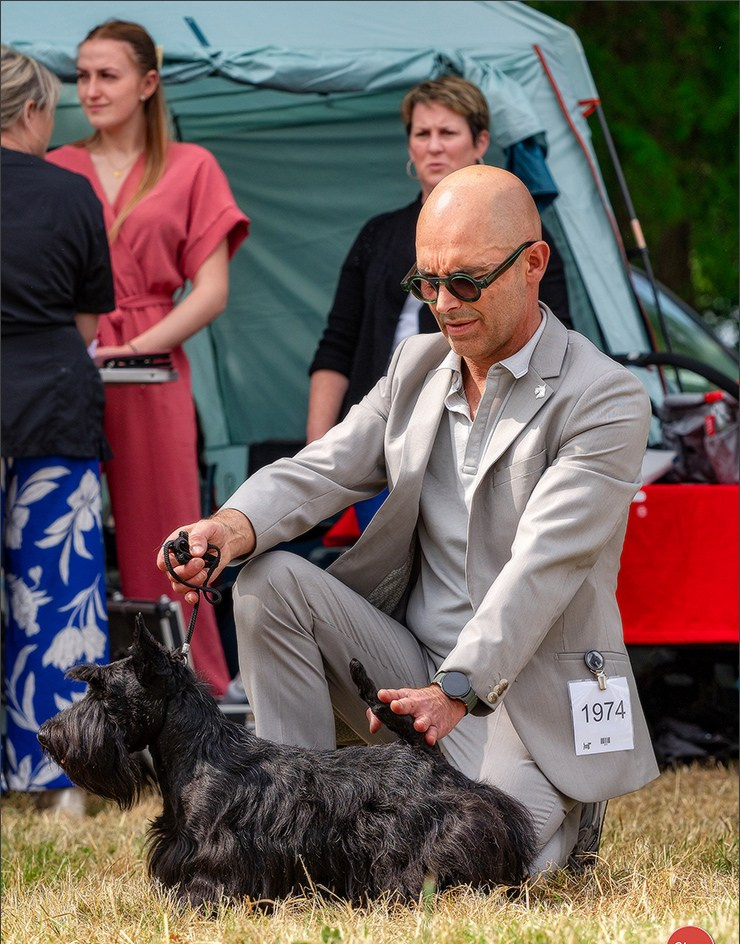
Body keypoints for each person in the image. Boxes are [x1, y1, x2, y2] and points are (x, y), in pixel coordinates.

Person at [157, 164, 659, 876]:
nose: (443, 304)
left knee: (480, 871)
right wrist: (230, 527)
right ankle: (285, 825)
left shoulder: (606, 398)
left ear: (534, 264)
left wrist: (455, 688)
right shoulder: (416, 365)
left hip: (518, 698)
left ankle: (567, 816)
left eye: (466, 282)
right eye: (426, 283)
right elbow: (325, 466)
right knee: (267, 578)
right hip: (401, 675)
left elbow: (542, 568)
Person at [47, 20, 250, 697]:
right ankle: (66, 698)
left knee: (166, 539)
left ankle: (186, 697)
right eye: (82, 76)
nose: (91, 89)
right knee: (55, 528)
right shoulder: (55, 166)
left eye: (107, 75)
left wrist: (134, 347)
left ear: (148, 83)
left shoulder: (193, 166)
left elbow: (213, 290)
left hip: (152, 368)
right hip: (63, 365)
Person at [306, 75, 573, 445]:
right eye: (421, 134)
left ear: (480, 142)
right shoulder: (378, 234)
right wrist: (318, 450)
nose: (433, 147)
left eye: (447, 133)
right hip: (382, 433)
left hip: (487, 430)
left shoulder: (520, 236)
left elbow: (551, 340)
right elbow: (337, 345)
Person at [1, 46, 115, 813]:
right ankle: (61, 782)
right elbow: (85, 319)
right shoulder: (73, 191)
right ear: (34, 111)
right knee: (56, 598)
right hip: (52, 402)